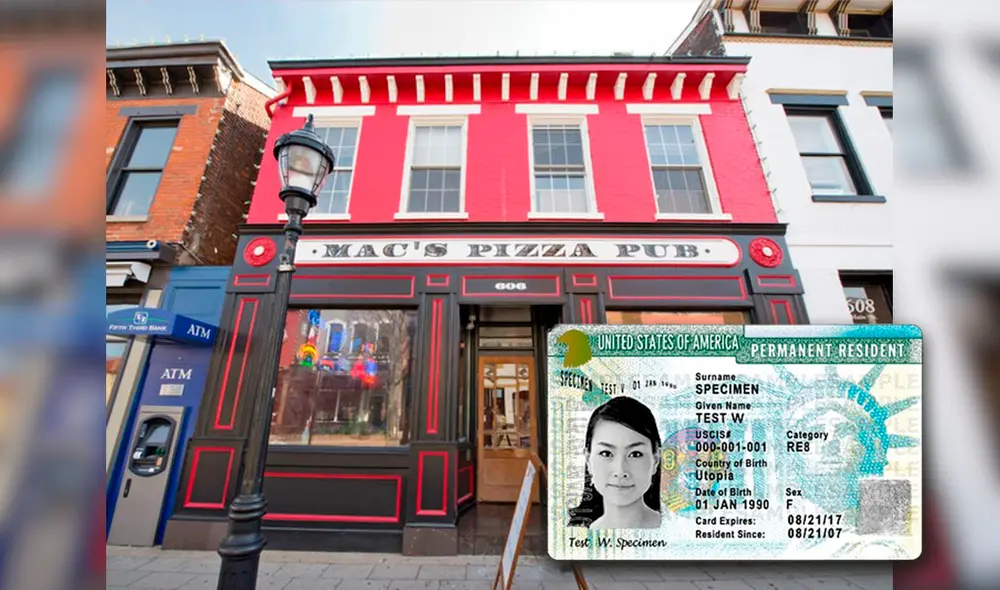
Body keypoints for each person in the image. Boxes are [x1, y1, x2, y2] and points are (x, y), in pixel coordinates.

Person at [567, 396, 662, 529]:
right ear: (588, 460)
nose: (620, 471)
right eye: (606, 453)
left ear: (655, 461)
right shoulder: (578, 539)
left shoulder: (680, 531)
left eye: (635, 454)